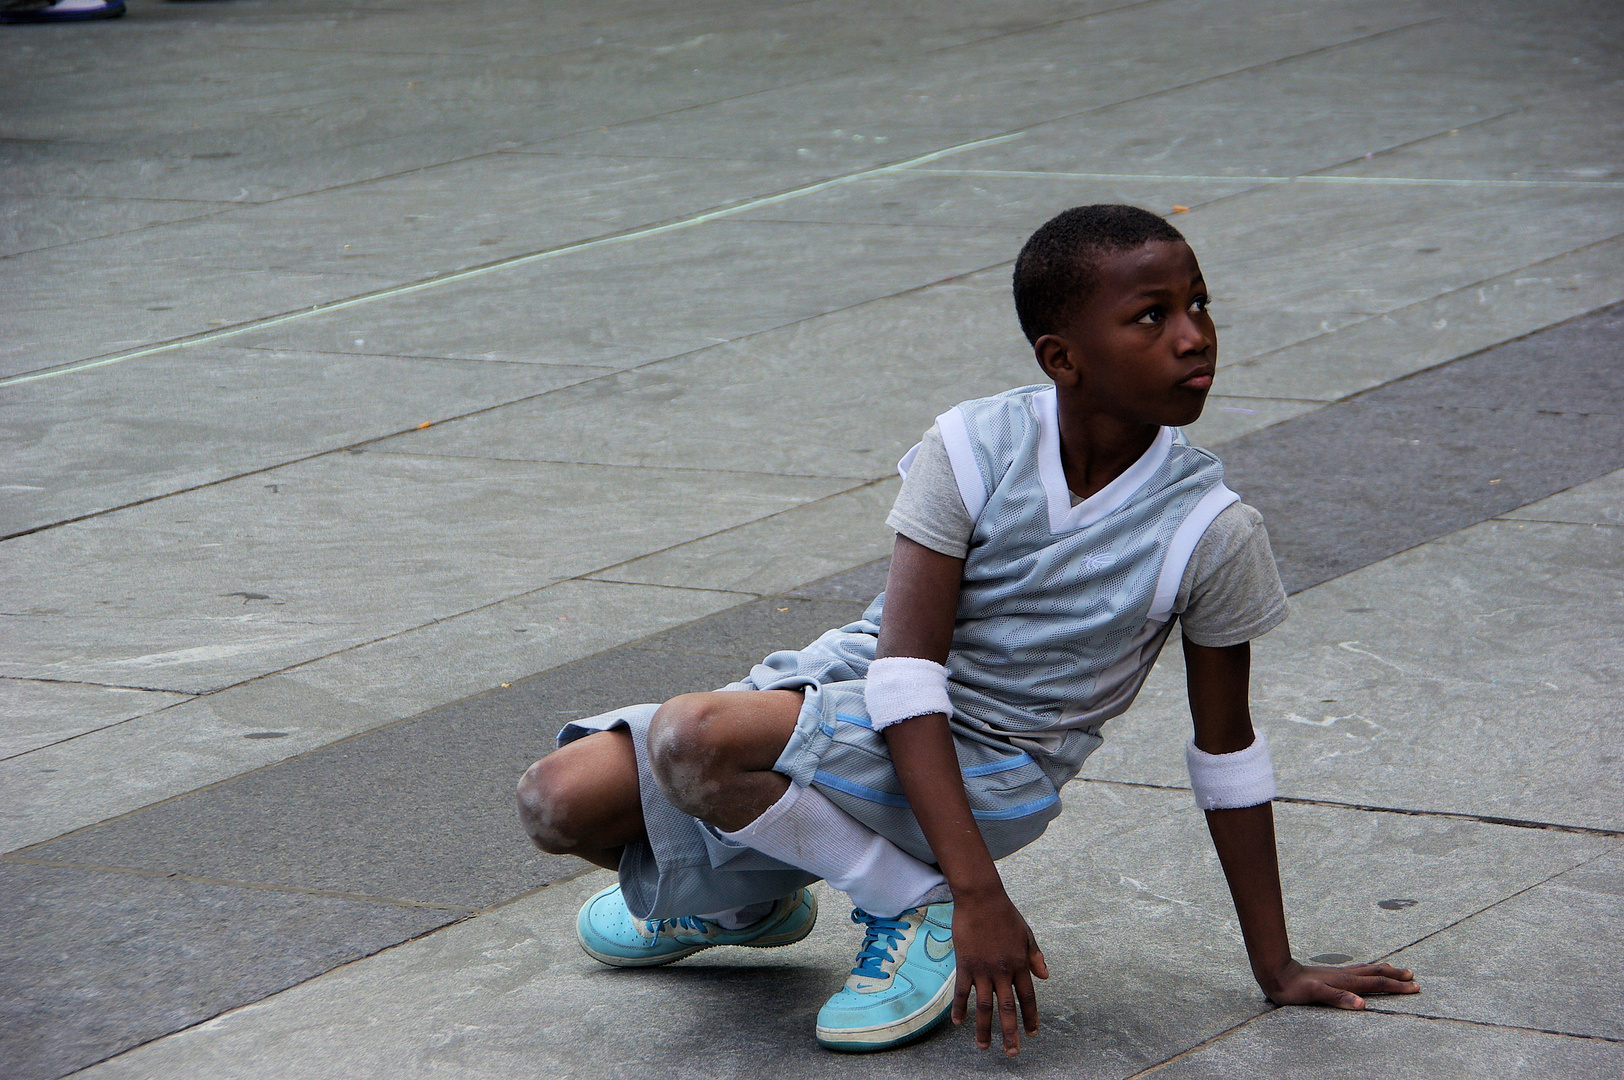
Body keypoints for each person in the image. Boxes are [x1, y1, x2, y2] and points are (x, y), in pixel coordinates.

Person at [517, 204, 1420, 1056]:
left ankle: (907, 903)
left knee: (694, 739)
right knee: (557, 802)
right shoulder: (972, 444)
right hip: (866, 696)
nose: (1193, 335)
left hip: (996, 766)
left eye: (1198, 305)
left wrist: (1278, 967)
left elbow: (1227, 755)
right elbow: (903, 673)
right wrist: (980, 897)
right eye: (1150, 317)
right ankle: (777, 905)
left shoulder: (1212, 531)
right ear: (1062, 359)